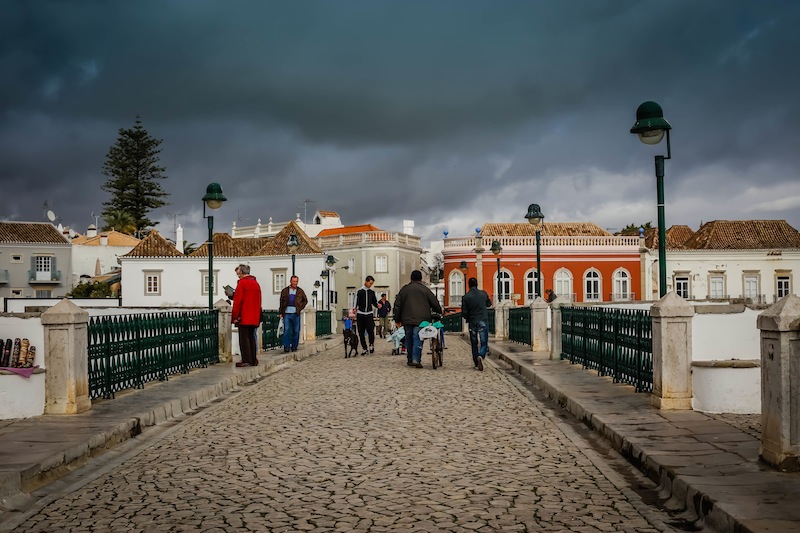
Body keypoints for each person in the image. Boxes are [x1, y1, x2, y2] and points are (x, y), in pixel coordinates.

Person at [393, 270, 442, 368]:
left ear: (411, 278)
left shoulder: (404, 290)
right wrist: (439, 311)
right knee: (418, 338)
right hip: (422, 320)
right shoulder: (425, 289)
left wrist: (397, 319)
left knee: (409, 339)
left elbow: (397, 305)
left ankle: (410, 359)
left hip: (406, 319)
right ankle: (416, 359)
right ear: (421, 279)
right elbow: (434, 302)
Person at [232, 264, 262, 368]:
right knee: (252, 338)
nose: (237, 274)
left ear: (241, 272)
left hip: (244, 315)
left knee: (244, 339)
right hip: (254, 316)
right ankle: (253, 359)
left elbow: (238, 301)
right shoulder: (256, 283)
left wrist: (235, 316)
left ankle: (246, 359)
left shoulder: (242, 283)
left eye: (238, 272)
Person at [461, 277, 492, 371]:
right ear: (477, 284)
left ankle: (476, 362)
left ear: (468, 285)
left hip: (472, 321)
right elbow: (489, 304)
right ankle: (481, 356)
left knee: (474, 342)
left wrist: (467, 318)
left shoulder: (466, 297)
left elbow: (464, 312)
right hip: (482, 319)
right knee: (484, 341)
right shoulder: (483, 293)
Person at [279, 275, 308, 353]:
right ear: (290, 281)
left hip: (296, 313)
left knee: (296, 330)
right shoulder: (285, 291)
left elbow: (305, 300)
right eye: (294, 281)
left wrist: (300, 307)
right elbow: (281, 302)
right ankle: (286, 346)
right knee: (286, 330)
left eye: (296, 281)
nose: (295, 283)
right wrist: (281, 312)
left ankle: (294, 346)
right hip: (286, 313)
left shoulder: (300, 291)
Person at [354, 276, 379, 355]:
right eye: (370, 283)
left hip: (369, 314)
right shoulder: (359, 291)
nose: (370, 285)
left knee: (370, 330)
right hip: (360, 314)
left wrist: (377, 305)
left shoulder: (371, 292)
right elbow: (356, 300)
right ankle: (364, 348)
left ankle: (371, 344)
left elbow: (374, 302)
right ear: (366, 281)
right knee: (361, 332)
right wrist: (354, 308)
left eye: (372, 284)